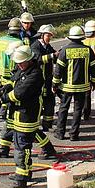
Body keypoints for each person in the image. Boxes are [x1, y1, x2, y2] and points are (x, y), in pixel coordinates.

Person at [3, 45, 44, 188]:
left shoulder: (35, 75)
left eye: (21, 62)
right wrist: (6, 86)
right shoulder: (23, 69)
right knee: (20, 146)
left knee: (22, 149)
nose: (19, 65)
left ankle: (21, 180)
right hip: (19, 115)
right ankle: (26, 174)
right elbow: (14, 80)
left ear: (30, 60)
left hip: (27, 115)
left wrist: (5, 98)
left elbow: (19, 93)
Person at [53, 25, 95, 141]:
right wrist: (94, 82)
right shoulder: (88, 50)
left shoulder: (64, 50)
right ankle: (74, 134)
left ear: (70, 38)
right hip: (82, 87)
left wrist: (55, 84)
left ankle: (60, 133)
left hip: (67, 87)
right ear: (82, 37)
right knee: (78, 110)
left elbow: (58, 70)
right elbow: (94, 69)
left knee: (63, 109)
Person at [0, 18, 25, 158]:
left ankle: (47, 149)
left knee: (26, 128)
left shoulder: (1, 40)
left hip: (5, 76)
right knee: (12, 120)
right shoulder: (20, 44)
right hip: (12, 77)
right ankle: (4, 148)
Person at [30, 24, 58, 159]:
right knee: (40, 103)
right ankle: (38, 125)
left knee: (49, 102)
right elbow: (38, 59)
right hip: (38, 81)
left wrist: (59, 54)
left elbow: (54, 56)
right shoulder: (35, 46)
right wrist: (53, 55)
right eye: (48, 36)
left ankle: (47, 124)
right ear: (42, 35)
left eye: (50, 36)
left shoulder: (47, 46)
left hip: (47, 79)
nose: (49, 38)